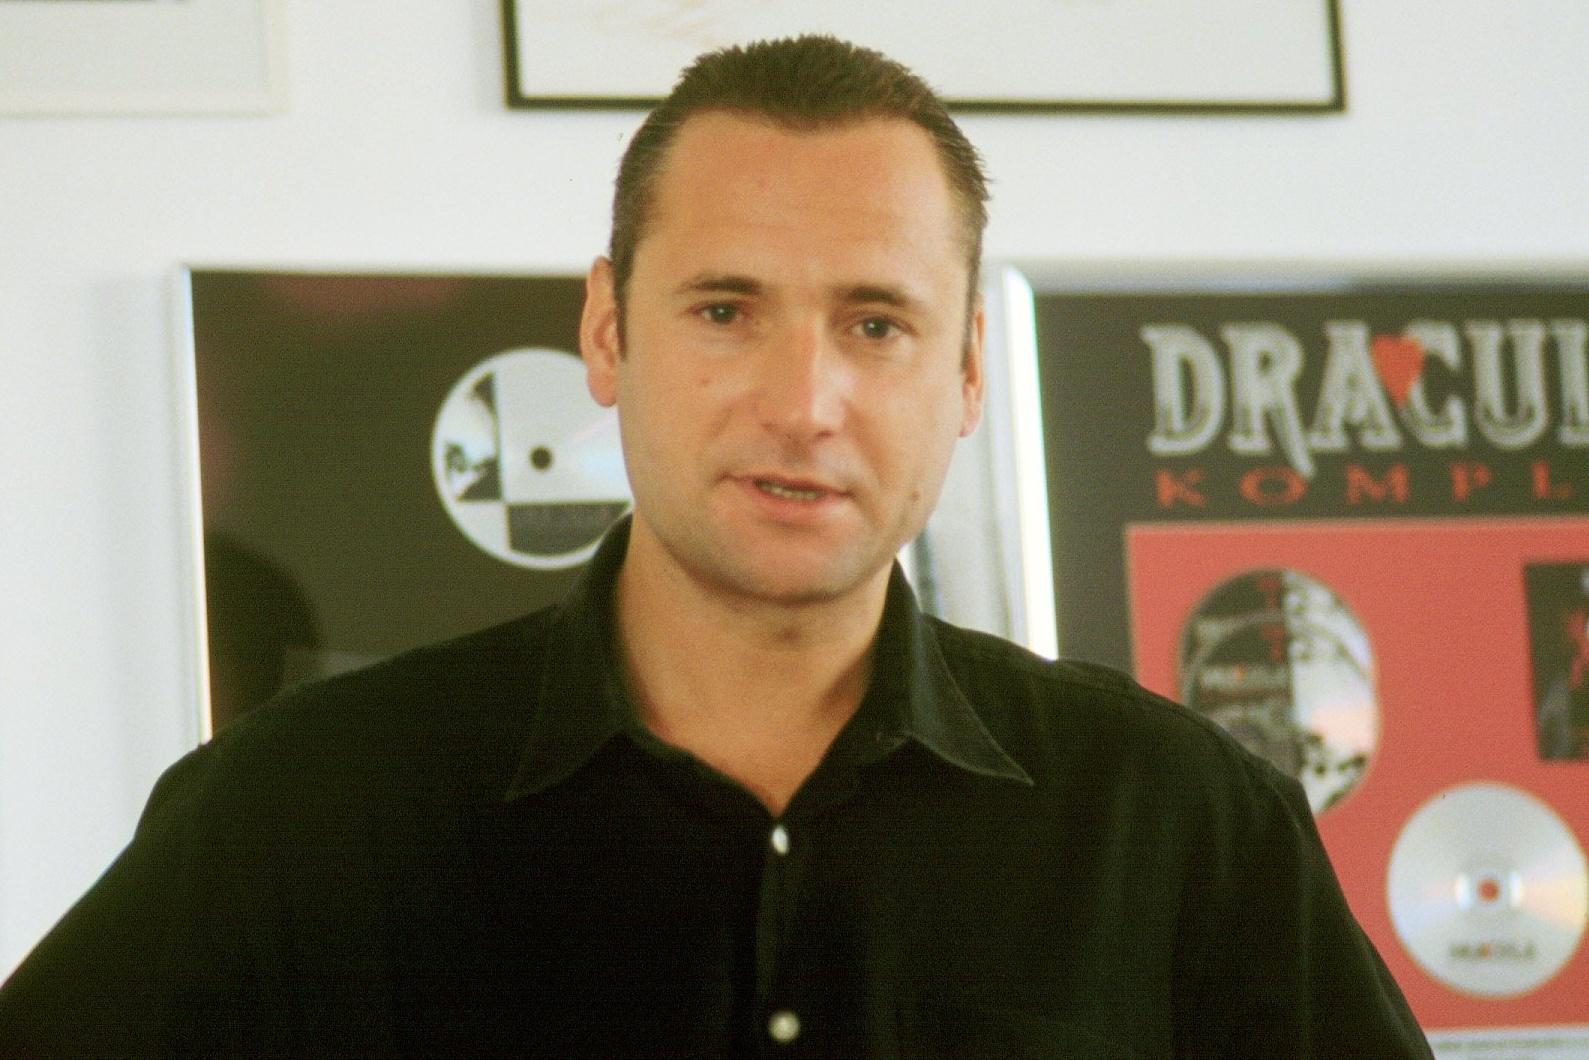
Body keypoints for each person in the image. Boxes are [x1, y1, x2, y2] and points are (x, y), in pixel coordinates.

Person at [0, 36, 1433, 1057]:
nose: (803, 402)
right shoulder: (302, 811)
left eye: (875, 323)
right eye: (725, 310)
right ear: (605, 332)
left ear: (965, 373)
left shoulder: (1182, 829)